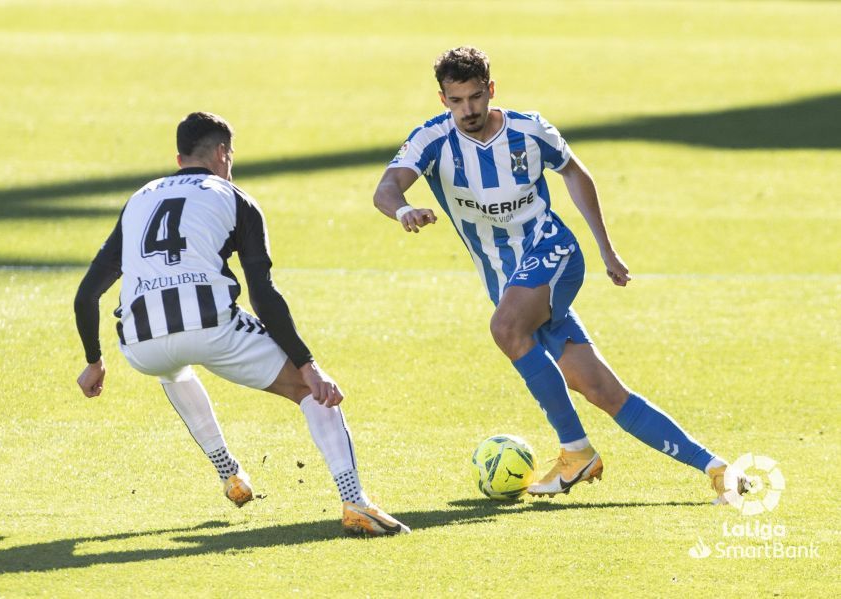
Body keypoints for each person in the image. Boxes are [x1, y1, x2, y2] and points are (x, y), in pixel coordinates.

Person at [373, 47, 747, 503]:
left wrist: (606, 249)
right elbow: (386, 189)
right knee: (600, 389)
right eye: (457, 101)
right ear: (442, 99)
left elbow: (575, 173)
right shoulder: (431, 140)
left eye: (475, 97)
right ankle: (716, 468)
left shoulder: (530, 129)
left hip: (554, 252)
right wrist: (404, 209)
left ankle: (575, 450)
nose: (468, 110)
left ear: (491, 90)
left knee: (507, 327)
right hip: (510, 282)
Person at [74, 111, 409, 535]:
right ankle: (354, 500)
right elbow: (263, 295)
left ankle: (229, 473)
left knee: (172, 363)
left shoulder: (140, 198)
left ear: (180, 160)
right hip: (214, 330)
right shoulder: (236, 198)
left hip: (141, 344)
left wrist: (94, 360)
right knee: (310, 391)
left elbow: (87, 293)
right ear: (221, 153)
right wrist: (307, 364)